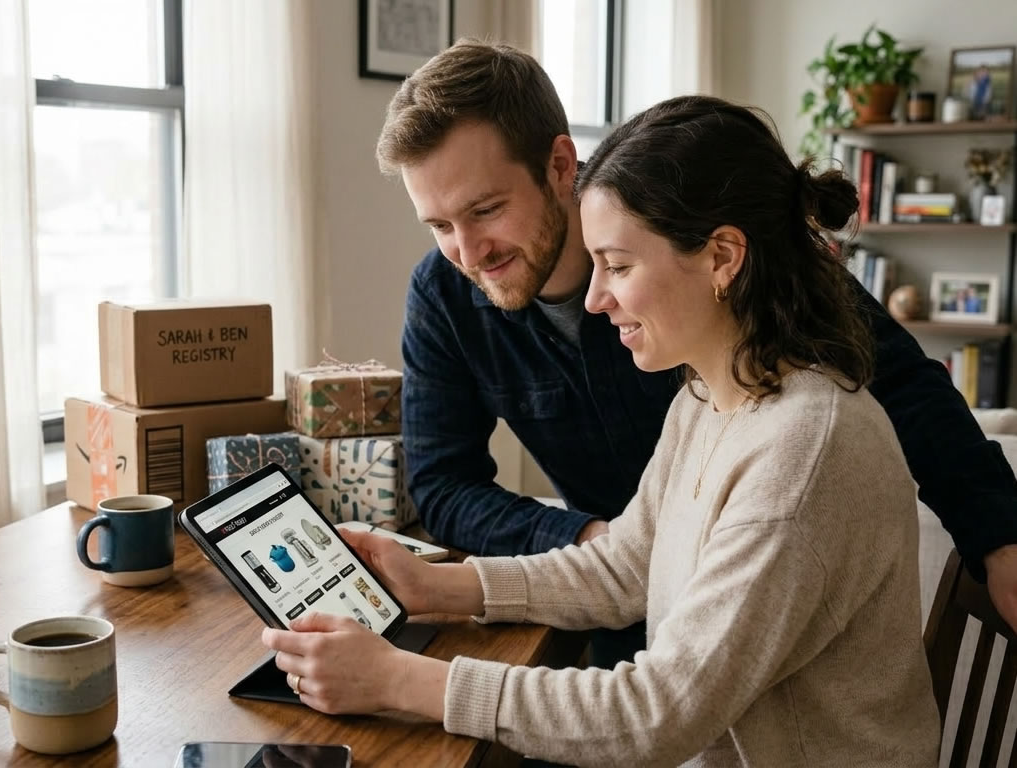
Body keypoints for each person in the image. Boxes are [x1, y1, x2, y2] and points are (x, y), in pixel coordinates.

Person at [262, 94, 939, 766]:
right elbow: (630, 562)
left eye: (618, 266)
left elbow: (655, 715)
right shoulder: (709, 395)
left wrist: (398, 680)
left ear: (723, 257)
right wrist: (440, 588)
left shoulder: (802, 454)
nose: (594, 297)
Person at [376, 39, 1017, 669]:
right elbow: (443, 483)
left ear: (560, 164)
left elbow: (898, 379)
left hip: (751, 592)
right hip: (610, 595)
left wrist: (998, 537)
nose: (467, 251)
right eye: (438, 225)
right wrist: (593, 542)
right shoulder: (443, 297)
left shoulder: (685, 224)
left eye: (486, 209)